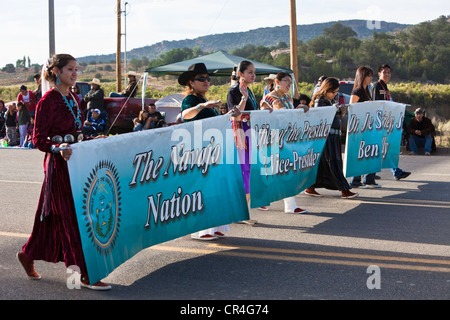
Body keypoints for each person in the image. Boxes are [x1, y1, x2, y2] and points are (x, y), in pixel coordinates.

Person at [17, 53, 111, 290]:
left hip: (77, 165)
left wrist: (92, 138)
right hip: (59, 167)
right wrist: (58, 148)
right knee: (73, 218)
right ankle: (84, 273)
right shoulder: (47, 102)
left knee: (51, 219)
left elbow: (76, 133)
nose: (75, 73)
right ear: (56, 71)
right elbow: (38, 139)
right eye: (70, 69)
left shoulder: (75, 98)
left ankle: (28, 254)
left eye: (76, 69)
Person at [178, 62, 230, 240]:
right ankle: (202, 230)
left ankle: (213, 227)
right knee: (203, 189)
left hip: (213, 148)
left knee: (215, 188)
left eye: (208, 78)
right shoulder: (191, 100)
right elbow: (185, 115)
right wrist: (203, 106)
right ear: (191, 83)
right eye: (201, 79)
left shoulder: (204, 101)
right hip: (199, 149)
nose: (206, 81)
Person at [260, 72, 309, 213]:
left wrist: (301, 109)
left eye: (290, 81)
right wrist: (278, 109)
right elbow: (264, 119)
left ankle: (290, 204)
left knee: (287, 170)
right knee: (272, 172)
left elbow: (290, 115)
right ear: (277, 81)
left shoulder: (288, 97)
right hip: (273, 139)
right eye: (286, 81)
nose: (289, 84)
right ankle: (260, 199)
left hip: (288, 137)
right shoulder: (268, 99)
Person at [303, 77, 359, 199]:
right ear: (326, 89)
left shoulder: (326, 100)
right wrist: (336, 110)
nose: (334, 95)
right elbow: (322, 118)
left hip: (332, 135)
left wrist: (339, 111)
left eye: (336, 92)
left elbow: (333, 117)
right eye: (333, 92)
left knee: (324, 164)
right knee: (333, 163)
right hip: (327, 136)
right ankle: (344, 190)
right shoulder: (320, 101)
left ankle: (310, 187)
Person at [226, 61, 268, 215]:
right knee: (245, 170)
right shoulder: (234, 91)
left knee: (250, 169)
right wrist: (243, 98)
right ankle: (241, 210)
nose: (253, 75)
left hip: (250, 130)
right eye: (250, 72)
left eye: (254, 72)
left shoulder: (248, 90)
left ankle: (246, 207)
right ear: (240, 74)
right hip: (241, 131)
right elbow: (235, 115)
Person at [371, 64, 411, 180]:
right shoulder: (376, 86)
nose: (387, 74)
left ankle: (372, 174)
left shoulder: (385, 87)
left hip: (386, 121)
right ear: (379, 74)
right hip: (379, 123)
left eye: (389, 72)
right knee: (380, 148)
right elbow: (375, 105)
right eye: (384, 72)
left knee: (381, 149)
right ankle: (394, 172)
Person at [349, 66, 381, 188]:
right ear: (362, 76)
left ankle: (365, 179)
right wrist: (364, 105)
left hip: (367, 127)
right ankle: (356, 180)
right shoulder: (357, 91)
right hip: (359, 128)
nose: (371, 78)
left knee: (366, 153)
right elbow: (351, 107)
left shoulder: (366, 90)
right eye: (369, 75)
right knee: (360, 153)